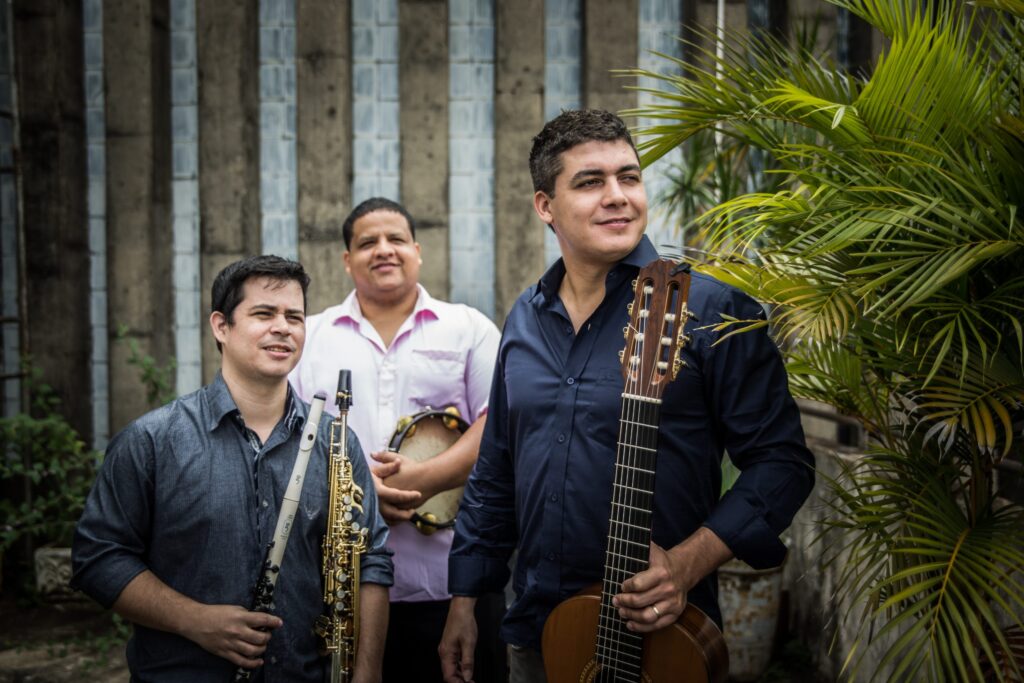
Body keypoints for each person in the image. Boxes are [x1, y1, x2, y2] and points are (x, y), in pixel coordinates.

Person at [439, 109, 816, 682]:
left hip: (662, 643)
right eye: (591, 182)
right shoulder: (524, 319)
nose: (618, 196)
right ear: (546, 206)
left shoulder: (713, 311)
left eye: (629, 177)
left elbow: (783, 463)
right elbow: (497, 469)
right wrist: (465, 600)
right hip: (536, 638)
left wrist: (689, 563)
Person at [72, 255, 393, 682]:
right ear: (221, 326)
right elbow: (99, 558)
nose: (283, 327)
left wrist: (366, 674)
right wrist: (193, 620)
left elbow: (370, 560)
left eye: (294, 317)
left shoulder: (338, 443)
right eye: (263, 313)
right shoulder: (151, 440)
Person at [290, 198, 503, 683]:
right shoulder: (312, 337)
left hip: (455, 585)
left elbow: (500, 424)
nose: (383, 250)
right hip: (342, 592)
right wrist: (358, 499)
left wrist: (424, 479)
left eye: (396, 239)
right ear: (347, 260)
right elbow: (288, 439)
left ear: (417, 251)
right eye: (367, 242)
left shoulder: (468, 328)